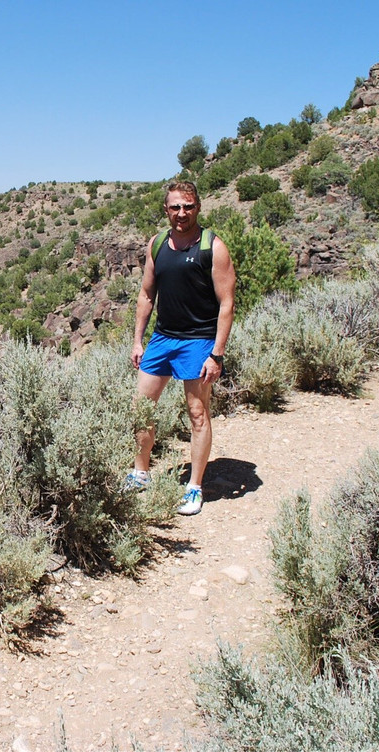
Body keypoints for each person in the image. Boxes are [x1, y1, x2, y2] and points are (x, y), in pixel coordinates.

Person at [124, 181, 236, 515]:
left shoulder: (213, 247)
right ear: (166, 210)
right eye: (175, 207)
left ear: (198, 207)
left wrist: (216, 355)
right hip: (163, 338)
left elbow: (227, 304)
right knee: (141, 409)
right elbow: (147, 295)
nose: (182, 213)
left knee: (197, 413)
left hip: (199, 340)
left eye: (188, 206)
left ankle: (194, 487)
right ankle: (140, 473)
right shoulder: (157, 244)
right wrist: (138, 340)